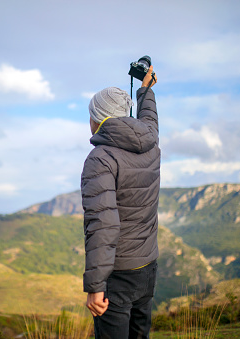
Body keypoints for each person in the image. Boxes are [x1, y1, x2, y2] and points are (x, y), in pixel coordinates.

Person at [80, 66, 160, 339]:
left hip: (119, 274)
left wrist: (96, 285)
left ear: (98, 119)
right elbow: (149, 120)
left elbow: (103, 223)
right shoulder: (150, 143)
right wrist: (145, 90)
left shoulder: (101, 158)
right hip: (148, 267)